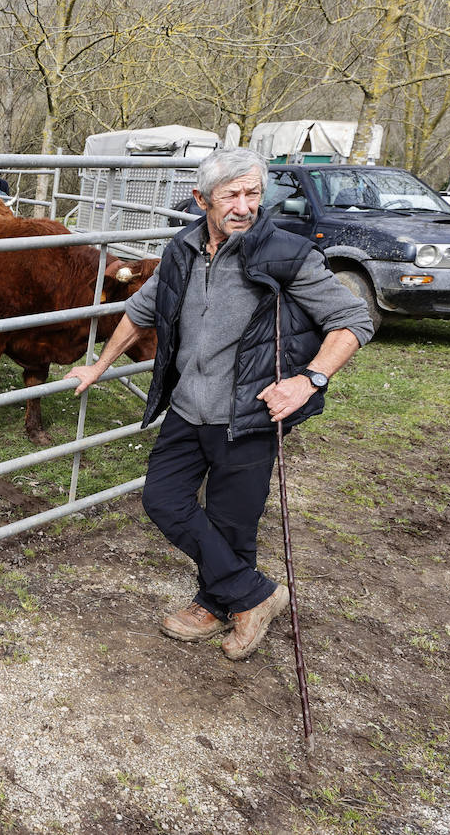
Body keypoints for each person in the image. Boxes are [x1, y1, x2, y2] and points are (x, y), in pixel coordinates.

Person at [66, 147, 374, 660]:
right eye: (231, 194)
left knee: (233, 521)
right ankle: (256, 595)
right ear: (201, 199)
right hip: (188, 407)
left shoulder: (287, 255)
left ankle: (216, 605)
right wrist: (100, 364)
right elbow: (141, 309)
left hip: (248, 412)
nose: (243, 205)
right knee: (163, 501)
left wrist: (309, 380)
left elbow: (353, 320)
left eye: (253, 193)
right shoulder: (183, 248)